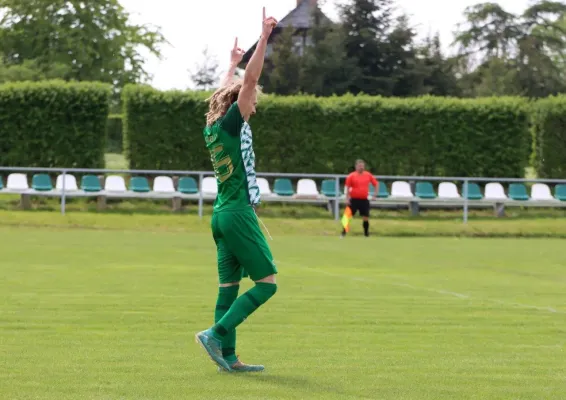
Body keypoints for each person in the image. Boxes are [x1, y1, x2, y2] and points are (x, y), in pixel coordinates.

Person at [195, 8, 278, 373]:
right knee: (267, 283)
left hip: (221, 215)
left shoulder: (213, 129)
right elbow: (248, 83)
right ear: (237, 105)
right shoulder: (231, 124)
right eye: (250, 99)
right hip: (239, 213)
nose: (253, 102)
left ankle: (228, 358)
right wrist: (263, 39)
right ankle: (215, 333)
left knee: (228, 287)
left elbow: (228, 89)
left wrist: (232, 63)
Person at [341, 159, 378, 238]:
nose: (361, 168)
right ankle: (343, 233)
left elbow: (376, 184)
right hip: (353, 199)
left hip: (364, 200)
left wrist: (375, 195)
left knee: (365, 217)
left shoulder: (368, 175)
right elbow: (347, 187)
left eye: (362, 166)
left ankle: (366, 234)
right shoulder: (351, 176)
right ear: (356, 167)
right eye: (359, 166)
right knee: (347, 216)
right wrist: (347, 198)